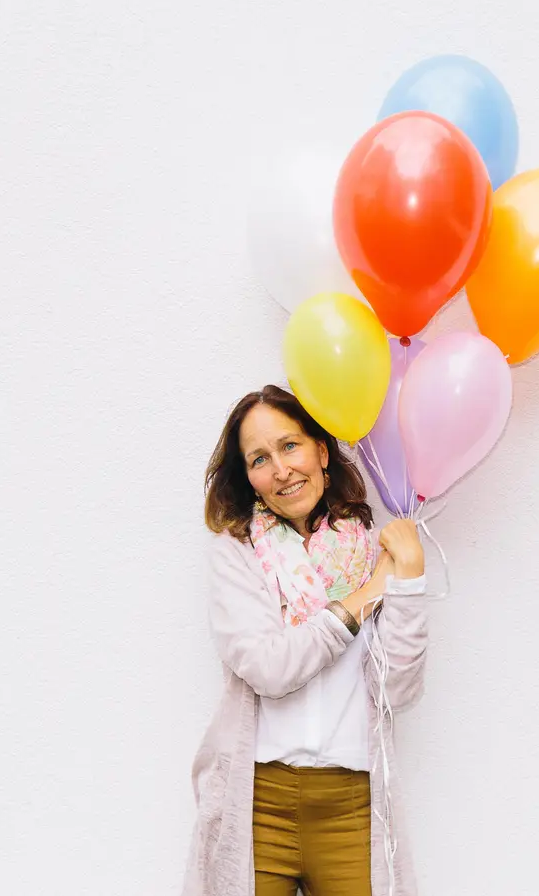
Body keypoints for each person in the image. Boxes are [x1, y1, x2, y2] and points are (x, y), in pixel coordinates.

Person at [182, 384, 432, 896]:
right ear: (249, 478)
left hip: (351, 807)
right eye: (259, 459)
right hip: (258, 804)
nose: (280, 469)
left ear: (321, 451)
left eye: (290, 445)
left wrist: (408, 582)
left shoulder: (373, 552)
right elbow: (269, 669)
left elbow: (398, 690)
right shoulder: (239, 554)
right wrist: (366, 597)